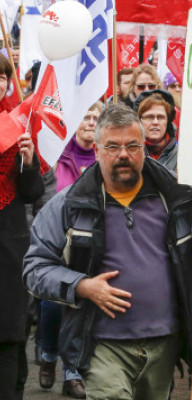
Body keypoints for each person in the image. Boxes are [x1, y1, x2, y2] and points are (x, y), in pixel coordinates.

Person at [23, 104, 192, 400]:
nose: (123, 154)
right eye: (112, 146)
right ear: (96, 150)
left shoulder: (177, 197)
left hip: (164, 344)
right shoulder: (68, 205)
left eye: (133, 145)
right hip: (101, 345)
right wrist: (82, 286)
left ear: (144, 149)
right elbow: (34, 268)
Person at [38, 102, 104, 397]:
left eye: (96, 117)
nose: (90, 122)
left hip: (93, 245)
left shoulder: (105, 159)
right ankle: (48, 355)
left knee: (81, 307)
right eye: (86, 116)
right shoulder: (58, 158)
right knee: (54, 303)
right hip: (60, 242)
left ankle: (72, 372)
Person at [0, 54, 44, 400]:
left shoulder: (17, 124)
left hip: (9, 246)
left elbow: (32, 193)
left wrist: (29, 161)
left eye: (2, 77)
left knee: (10, 331)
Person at [135, 89, 178, 174]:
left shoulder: (182, 156)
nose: (155, 122)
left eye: (160, 117)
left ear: (167, 121)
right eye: (149, 117)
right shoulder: (130, 154)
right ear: (139, 121)